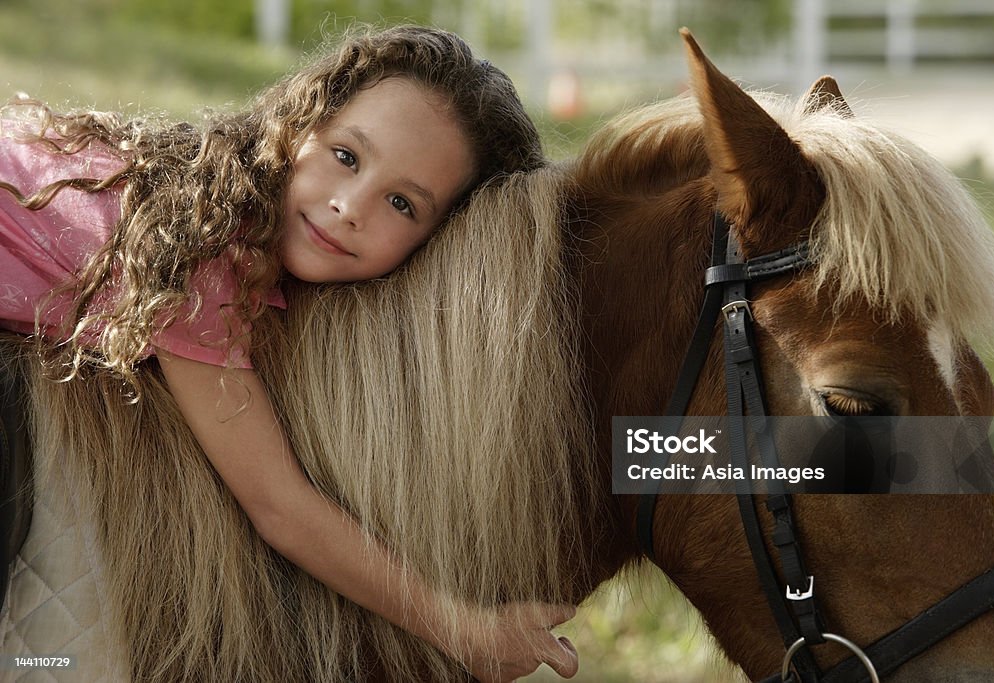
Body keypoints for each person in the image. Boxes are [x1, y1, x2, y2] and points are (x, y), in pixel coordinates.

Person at [0, 24, 577, 682]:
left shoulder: (225, 215)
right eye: (347, 156)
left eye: (401, 202)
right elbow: (280, 507)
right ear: (299, 125)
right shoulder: (207, 250)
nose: (349, 205)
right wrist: (462, 628)